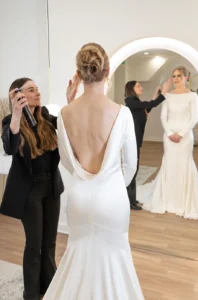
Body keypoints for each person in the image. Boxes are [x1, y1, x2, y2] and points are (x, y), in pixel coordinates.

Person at [43, 43, 144, 300]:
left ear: (78, 73)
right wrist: (113, 187)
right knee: (115, 260)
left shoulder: (66, 113)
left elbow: (66, 161)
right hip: (111, 198)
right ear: (108, 71)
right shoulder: (121, 113)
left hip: (78, 198)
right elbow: (131, 164)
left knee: (78, 259)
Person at [0, 77, 79, 300]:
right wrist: (16, 114)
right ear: (17, 96)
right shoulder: (10, 121)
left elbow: (66, 127)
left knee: (50, 243)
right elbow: (10, 146)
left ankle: (50, 289)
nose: (37, 93)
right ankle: (31, 295)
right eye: (31, 90)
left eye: (37, 89)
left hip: (51, 189)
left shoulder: (44, 116)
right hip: (29, 193)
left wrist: (70, 101)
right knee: (34, 246)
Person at [137, 66, 198, 219]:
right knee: (169, 164)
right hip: (169, 137)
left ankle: (183, 200)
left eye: (179, 76)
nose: (176, 78)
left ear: (186, 78)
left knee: (184, 164)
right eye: (174, 76)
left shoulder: (193, 96)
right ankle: (167, 198)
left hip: (185, 138)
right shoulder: (168, 96)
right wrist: (171, 133)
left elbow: (194, 117)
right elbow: (163, 117)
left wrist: (182, 134)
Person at [124, 79, 172, 210]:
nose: (141, 88)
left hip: (135, 141)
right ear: (131, 89)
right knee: (132, 170)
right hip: (130, 141)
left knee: (134, 170)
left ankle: (131, 199)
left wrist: (156, 95)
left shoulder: (136, 103)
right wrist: (165, 90)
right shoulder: (130, 102)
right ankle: (129, 201)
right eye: (139, 86)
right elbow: (153, 105)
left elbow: (148, 108)